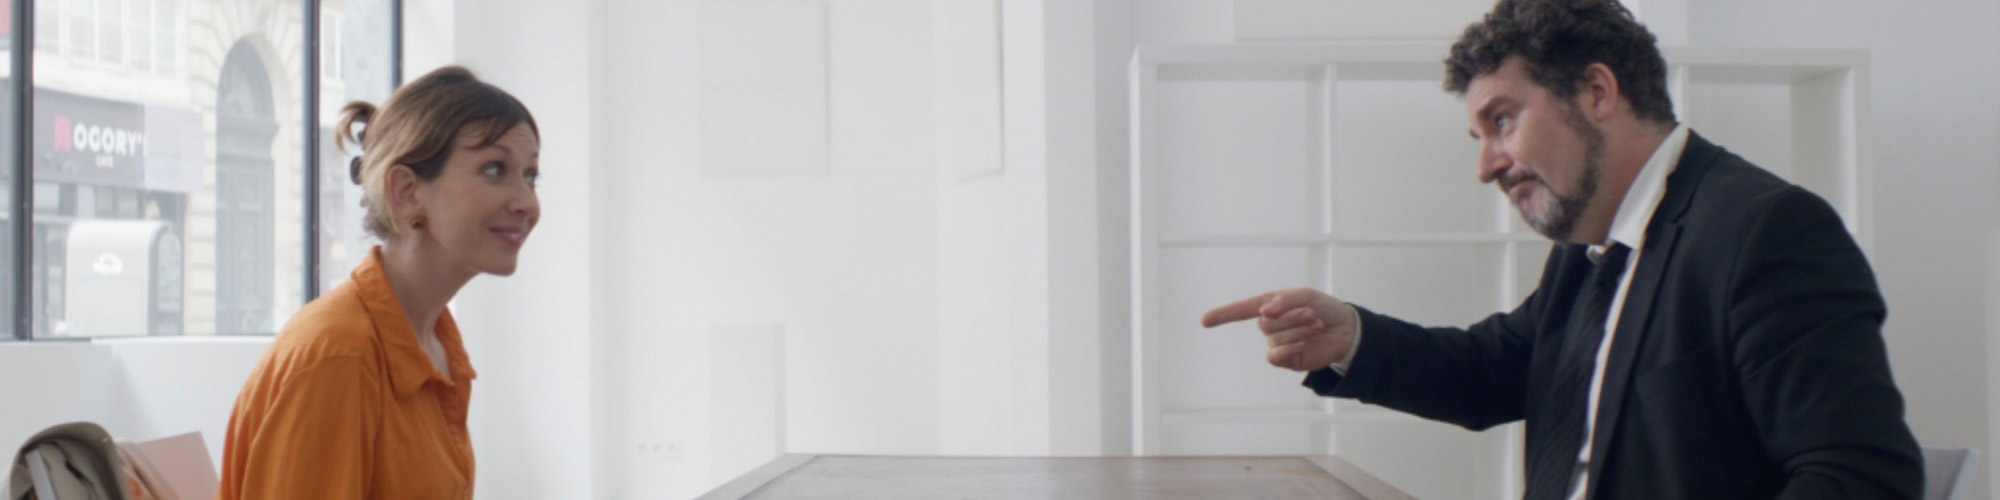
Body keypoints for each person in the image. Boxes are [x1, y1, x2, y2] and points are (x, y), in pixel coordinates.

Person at [1201, 1, 1922, 498]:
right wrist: (1349, 338)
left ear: (1597, 92)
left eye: (1502, 121)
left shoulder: (1767, 231)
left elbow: (1860, 477)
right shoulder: (1589, 252)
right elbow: (1493, 370)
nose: (1486, 165)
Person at [218, 66, 541, 499]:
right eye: (494, 169)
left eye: (530, 176)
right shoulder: (341, 357)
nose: (527, 202)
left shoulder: (435, 341)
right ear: (407, 191)